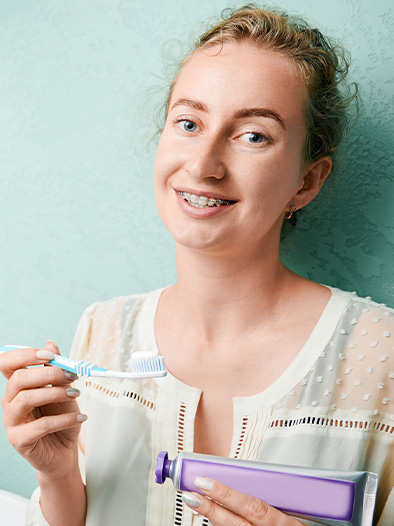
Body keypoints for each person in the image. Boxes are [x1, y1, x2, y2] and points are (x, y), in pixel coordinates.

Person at [1, 5, 393, 526]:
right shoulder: (101, 331)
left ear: (307, 181)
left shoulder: (381, 357)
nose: (204, 165)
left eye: (253, 135)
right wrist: (57, 478)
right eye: (188, 123)